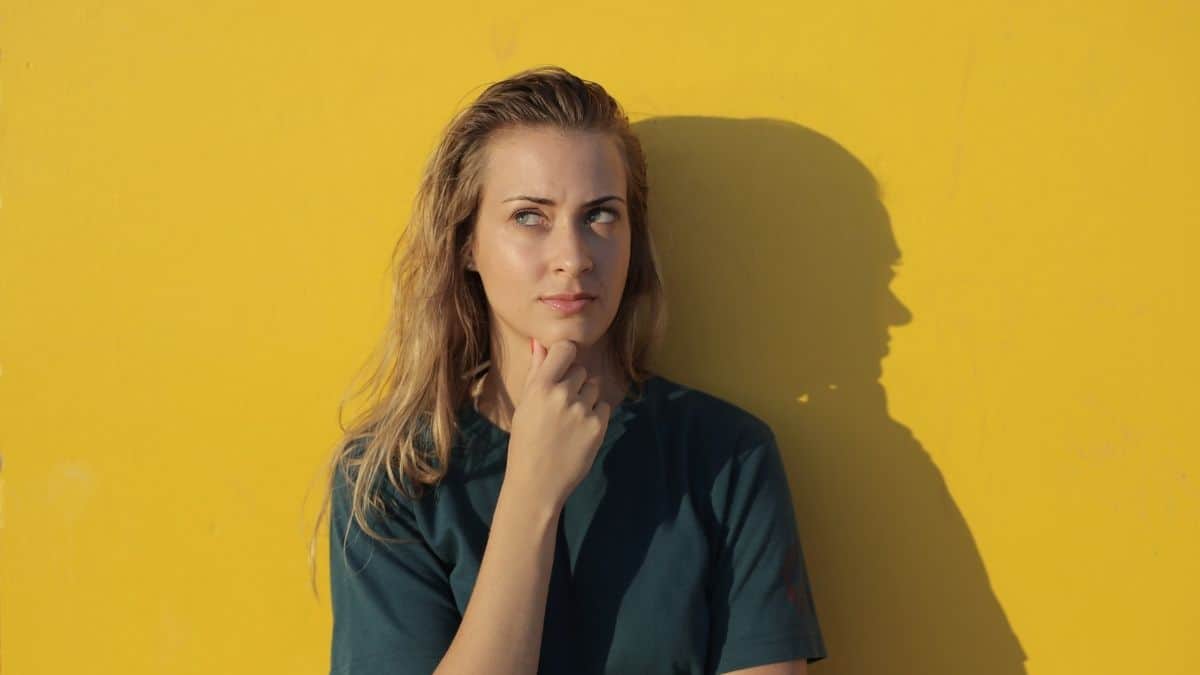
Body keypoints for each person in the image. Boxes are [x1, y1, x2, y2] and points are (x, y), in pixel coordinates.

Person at [310, 65, 828, 675]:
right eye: (530, 216)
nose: (573, 258)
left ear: (634, 237)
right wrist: (531, 491)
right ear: (467, 244)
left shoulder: (725, 456)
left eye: (600, 215)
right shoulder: (394, 476)